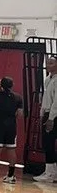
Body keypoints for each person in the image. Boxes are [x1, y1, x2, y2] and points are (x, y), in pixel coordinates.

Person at [42, 55, 57, 185]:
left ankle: (50, 173)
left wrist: (51, 118)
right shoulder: (48, 79)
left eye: (51, 63)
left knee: (49, 142)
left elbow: (56, 102)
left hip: (54, 115)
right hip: (47, 112)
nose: (48, 65)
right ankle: (51, 171)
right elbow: (45, 98)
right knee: (46, 142)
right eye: (48, 63)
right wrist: (42, 113)